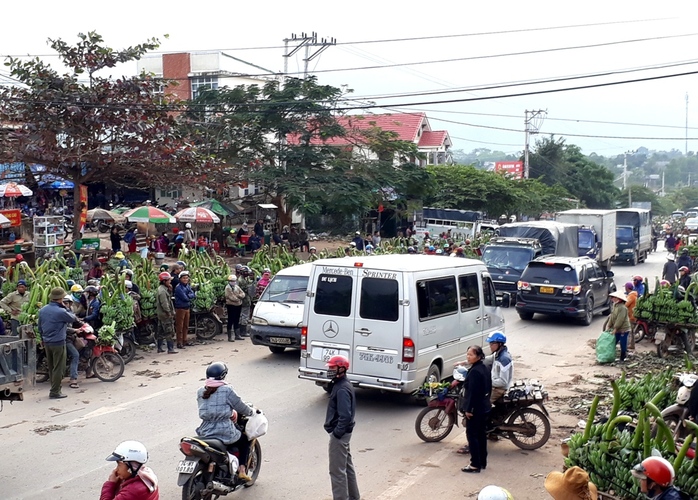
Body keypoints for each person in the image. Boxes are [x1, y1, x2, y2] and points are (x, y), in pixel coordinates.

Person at [195, 361, 255, 482]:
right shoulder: (227, 390)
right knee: (244, 440)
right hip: (224, 431)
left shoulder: (200, 391)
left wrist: (231, 413)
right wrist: (252, 412)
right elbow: (240, 406)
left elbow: (209, 409)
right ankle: (242, 470)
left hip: (205, 430)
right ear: (223, 376)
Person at [324, 355, 359, 500]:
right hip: (345, 434)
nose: (330, 370)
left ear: (341, 369)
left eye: (333, 367)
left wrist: (336, 433)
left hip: (340, 436)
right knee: (347, 468)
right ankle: (353, 496)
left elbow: (345, 416)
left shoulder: (342, 389)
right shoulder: (341, 384)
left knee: (337, 472)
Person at [37, 287, 78, 399]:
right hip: (58, 342)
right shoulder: (61, 311)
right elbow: (73, 318)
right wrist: (66, 308)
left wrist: (42, 339)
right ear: (60, 299)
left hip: (47, 342)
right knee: (59, 368)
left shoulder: (43, 310)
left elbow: (39, 327)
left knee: (51, 367)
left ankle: (54, 388)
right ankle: (55, 391)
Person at [460, 345, 491, 473]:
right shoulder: (484, 368)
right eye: (467, 354)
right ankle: (482, 461)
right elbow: (488, 387)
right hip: (484, 407)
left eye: (471, 355)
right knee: (481, 435)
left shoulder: (474, 372)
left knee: (472, 435)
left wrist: (469, 409)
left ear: (478, 356)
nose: (468, 357)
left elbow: (472, 393)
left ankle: (475, 464)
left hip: (475, 409)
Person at [62, 295, 82, 390]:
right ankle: (73, 379)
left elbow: (75, 319)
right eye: (64, 302)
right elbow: (64, 328)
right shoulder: (61, 313)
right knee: (75, 355)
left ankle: (88, 371)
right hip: (65, 338)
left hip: (71, 336)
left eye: (67, 303)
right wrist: (74, 330)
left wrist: (83, 323)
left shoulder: (70, 311)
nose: (65, 304)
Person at [155, 272, 177, 354]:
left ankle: (159, 348)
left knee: (160, 331)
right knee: (169, 331)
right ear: (164, 281)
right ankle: (170, 348)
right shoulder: (162, 291)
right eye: (168, 280)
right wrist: (169, 312)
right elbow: (165, 304)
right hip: (165, 314)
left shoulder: (162, 289)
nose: (170, 282)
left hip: (161, 314)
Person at [606, 290, 631, 362]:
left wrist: (615, 328)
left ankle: (623, 358)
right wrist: (609, 325)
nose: (612, 299)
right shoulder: (615, 306)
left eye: (614, 297)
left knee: (623, 344)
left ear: (619, 299)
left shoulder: (623, 308)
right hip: (617, 329)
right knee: (614, 342)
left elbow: (620, 319)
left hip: (624, 329)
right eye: (612, 297)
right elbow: (612, 316)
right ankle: (611, 356)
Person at [174, 270, 196, 349]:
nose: (185, 279)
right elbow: (185, 298)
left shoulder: (187, 286)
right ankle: (179, 342)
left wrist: (189, 295)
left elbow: (193, 294)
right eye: (184, 278)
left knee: (186, 325)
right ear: (180, 279)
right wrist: (190, 295)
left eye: (187, 278)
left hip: (187, 308)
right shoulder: (178, 288)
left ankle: (185, 340)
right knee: (180, 326)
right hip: (180, 308)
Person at [225, 275, 245, 342]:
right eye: (232, 281)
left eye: (234, 281)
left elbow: (243, 293)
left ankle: (237, 335)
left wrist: (239, 296)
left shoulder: (236, 287)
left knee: (237, 319)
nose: (233, 282)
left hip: (238, 305)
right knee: (231, 320)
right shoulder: (228, 288)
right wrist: (238, 298)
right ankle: (230, 337)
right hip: (231, 305)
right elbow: (231, 297)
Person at [237, 267, 253, 337]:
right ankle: (243, 332)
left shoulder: (242, 279)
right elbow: (247, 289)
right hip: (245, 300)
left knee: (242, 315)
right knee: (244, 316)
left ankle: (241, 331)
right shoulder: (242, 281)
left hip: (244, 300)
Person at [625, 281, 638, 353]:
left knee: (629, 331)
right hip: (633, 315)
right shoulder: (633, 295)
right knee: (632, 331)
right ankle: (632, 345)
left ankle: (629, 344)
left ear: (627, 288)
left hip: (631, 316)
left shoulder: (631, 296)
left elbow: (626, 304)